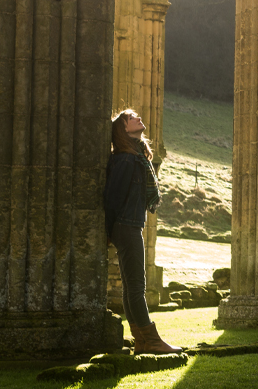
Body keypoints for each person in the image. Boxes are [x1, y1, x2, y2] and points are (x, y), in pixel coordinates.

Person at [106, 109, 182, 354]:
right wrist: (109, 232)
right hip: (126, 227)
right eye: (132, 118)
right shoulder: (126, 160)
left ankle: (140, 339)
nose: (139, 119)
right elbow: (113, 198)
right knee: (137, 287)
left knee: (131, 287)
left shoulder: (135, 158)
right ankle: (151, 339)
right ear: (124, 130)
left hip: (129, 225)